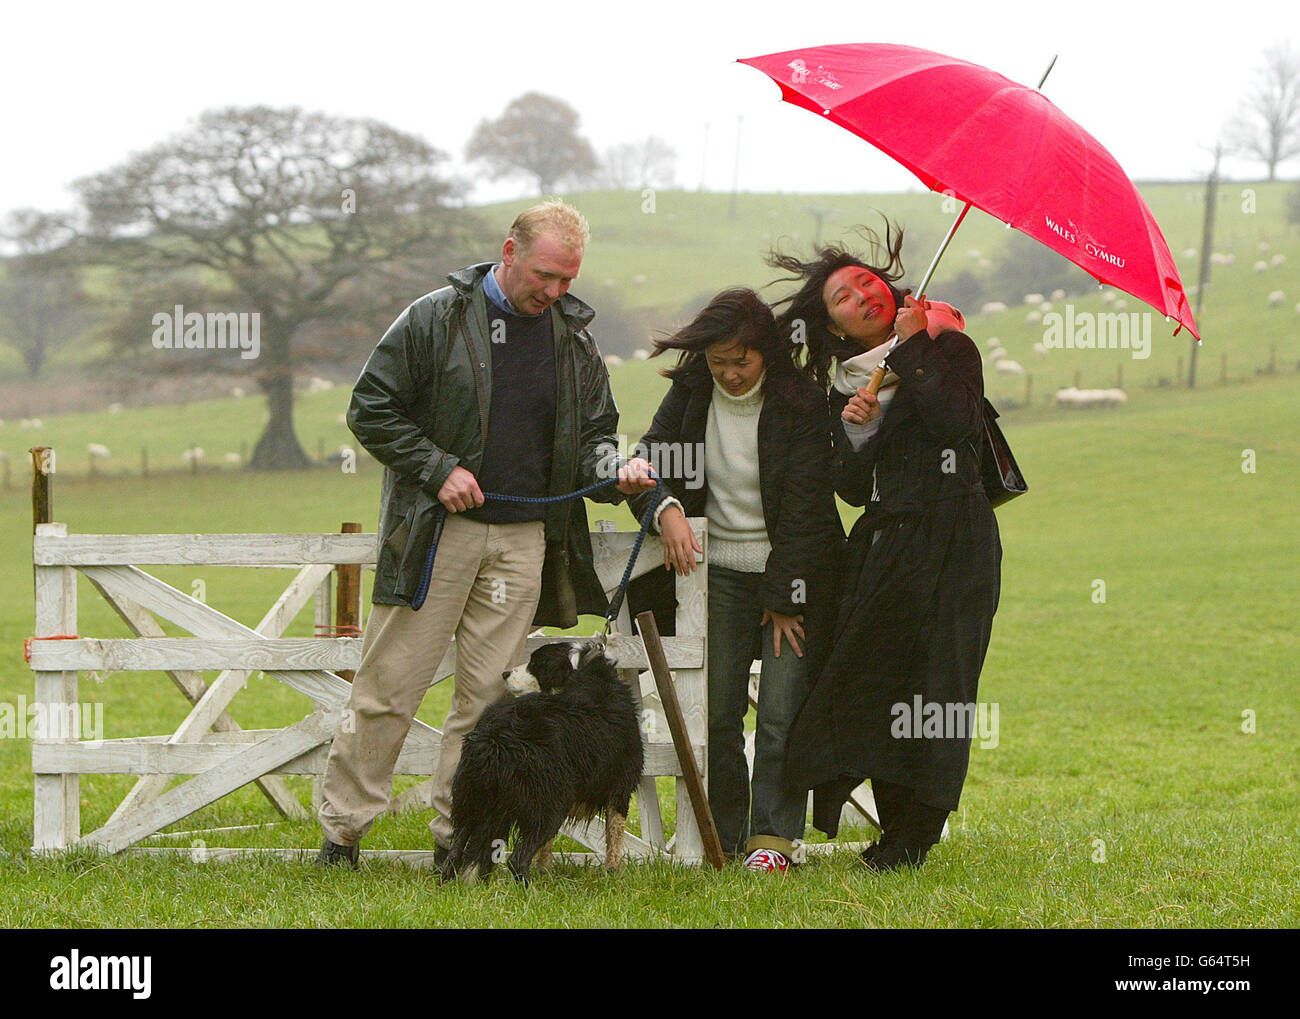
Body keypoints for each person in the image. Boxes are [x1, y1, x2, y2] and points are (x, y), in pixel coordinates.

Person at [317, 200, 656, 868]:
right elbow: (370, 408)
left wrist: (616, 473)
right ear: (509, 251)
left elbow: (591, 441)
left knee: (487, 700)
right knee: (389, 688)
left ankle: (461, 836)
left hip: (524, 539)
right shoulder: (434, 318)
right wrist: (438, 468)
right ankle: (343, 833)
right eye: (545, 275)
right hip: (434, 535)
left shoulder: (575, 340)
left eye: (567, 279)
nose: (555, 291)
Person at [769, 225, 1002, 871]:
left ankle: (916, 833)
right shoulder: (848, 385)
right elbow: (847, 488)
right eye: (844, 296)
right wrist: (858, 432)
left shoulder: (947, 345)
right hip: (886, 544)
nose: (862, 295)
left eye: (865, 282)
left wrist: (920, 345)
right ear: (835, 326)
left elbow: (960, 425)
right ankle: (892, 822)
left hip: (956, 536)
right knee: (874, 679)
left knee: (941, 684)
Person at [627, 288, 844, 873]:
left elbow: (807, 512)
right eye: (718, 361)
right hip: (714, 577)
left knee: (779, 712)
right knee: (717, 713)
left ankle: (772, 841)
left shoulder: (800, 402)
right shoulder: (692, 392)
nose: (730, 373)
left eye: (741, 360)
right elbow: (648, 460)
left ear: (766, 353)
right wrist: (664, 507)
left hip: (789, 575)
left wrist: (784, 597)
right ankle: (721, 835)